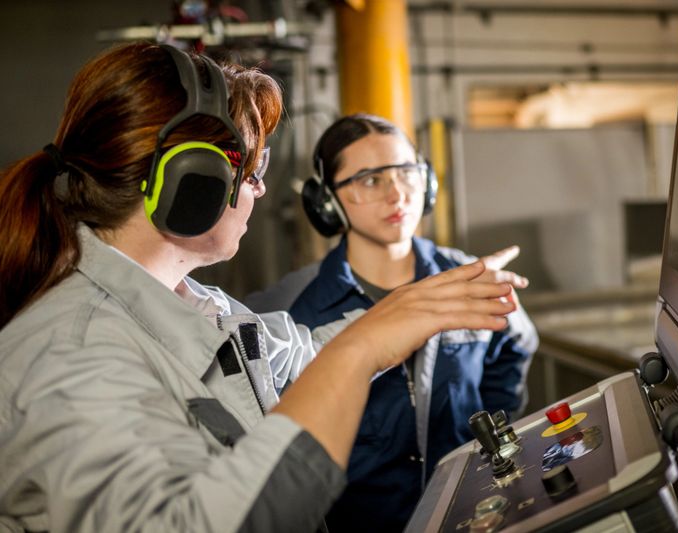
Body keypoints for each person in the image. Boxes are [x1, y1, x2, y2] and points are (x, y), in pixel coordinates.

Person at [0, 44, 517, 533]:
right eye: (251, 169)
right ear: (192, 179)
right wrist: (360, 352)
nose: (261, 188)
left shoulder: (199, 305)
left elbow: (301, 360)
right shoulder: (75, 353)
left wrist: (410, 309)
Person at [246, 113, 539, 532]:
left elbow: (516, 346)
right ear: (327, 202)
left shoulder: (467, 276)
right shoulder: (292, 309)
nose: (397, 194)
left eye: (406, 172)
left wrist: (482, 439)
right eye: (369, 179)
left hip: (472, 515)